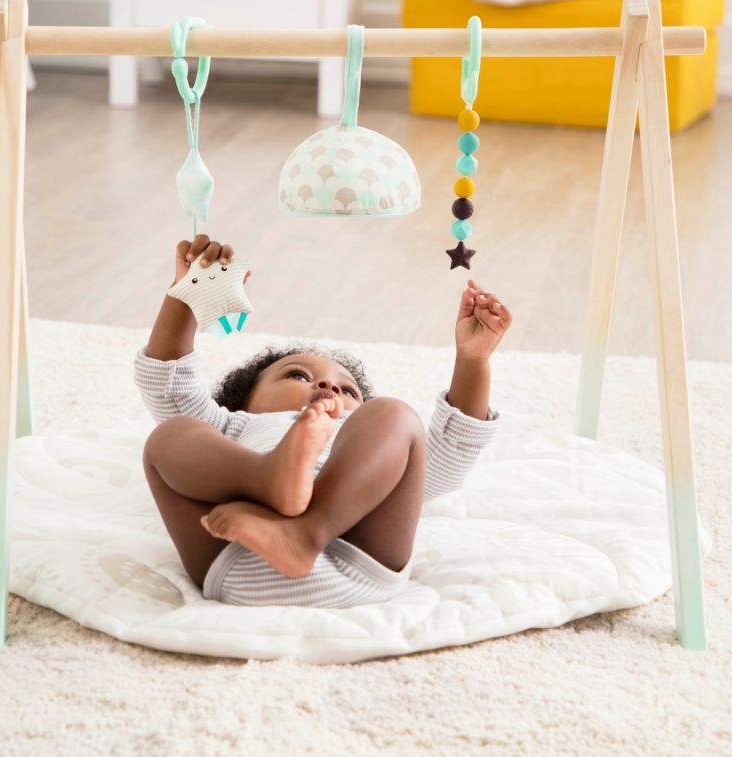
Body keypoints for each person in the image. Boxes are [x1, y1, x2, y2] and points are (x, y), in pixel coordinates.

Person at [136, 234, 512, 607]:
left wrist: (473, 362)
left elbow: (452, 452)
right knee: (170, 436)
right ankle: (269, 479)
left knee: (393, 414)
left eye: (349, 392)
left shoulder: (361, 443)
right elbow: (169, 384)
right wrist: (187, 295)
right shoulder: (233, 428)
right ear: (246, 402)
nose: (329, 385)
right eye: (297, 376)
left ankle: (306, 532)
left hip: (359, 556)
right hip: (237, 557)